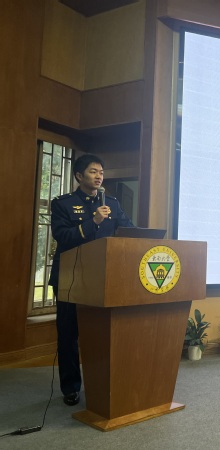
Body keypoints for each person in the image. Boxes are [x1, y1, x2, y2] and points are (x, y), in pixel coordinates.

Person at [49, 154, 134, 406]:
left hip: (103, 278)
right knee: (69, 335)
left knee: (102, 333)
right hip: (70, 278)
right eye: (93, 172)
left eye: (101, 172)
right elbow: (63, 236)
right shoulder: (63, 204)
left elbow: (129, 231)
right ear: (79, 176)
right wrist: (93, 221)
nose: (99, 176)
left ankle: (104, 384)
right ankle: (71, 387)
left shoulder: (112, 203)